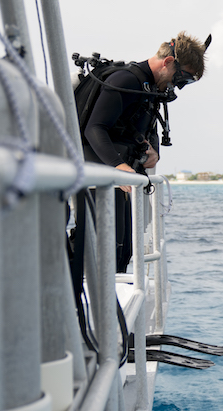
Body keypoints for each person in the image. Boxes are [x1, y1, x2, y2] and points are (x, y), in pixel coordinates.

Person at [82, 31, 208, 271]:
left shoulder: (148, 87)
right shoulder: (126, 81)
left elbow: (142, 126)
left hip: (122, 176)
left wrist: (153, 151)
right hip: (103, 173)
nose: (178, 86)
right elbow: (94, 129)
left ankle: (109, 303)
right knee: (106, 248)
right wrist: (119, 167)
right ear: (168, 62)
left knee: (124, 249)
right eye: (181, 78)